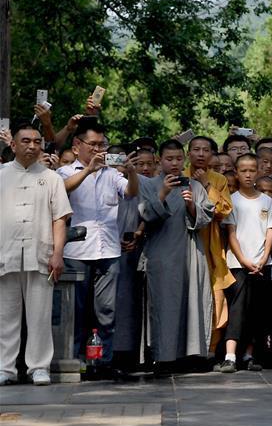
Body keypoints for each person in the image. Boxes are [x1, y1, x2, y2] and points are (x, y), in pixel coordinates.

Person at [58, 118, 139, 372]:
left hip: (108, 250)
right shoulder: (65, 171)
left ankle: (103, 361)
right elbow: (62, 190)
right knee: (76, 310)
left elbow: (131, 193)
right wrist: (88, 170)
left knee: (106, 310)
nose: (98, 149)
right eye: (92, 144)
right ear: (77, 145)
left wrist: (131, 172)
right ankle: (74, 360)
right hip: (77, 250)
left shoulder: (112, 174)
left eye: (102, 144)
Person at [0, 123, 71, 386]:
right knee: (5, 315)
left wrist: (58, 253)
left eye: (37, 141)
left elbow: (60, 218)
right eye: (26, 141)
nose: (32, 146)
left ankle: (39, 367)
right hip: (5, 253)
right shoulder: (1, 175)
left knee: (40, 315)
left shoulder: (52, 178)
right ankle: (5, 367)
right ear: (13, 144)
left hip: (40, 253)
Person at [138, 140, 215, 372]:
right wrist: (162, 193)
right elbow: (145, 215)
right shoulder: (149, 185)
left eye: (178, 159)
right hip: (161, 252)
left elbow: (206, 216)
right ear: (159, 160)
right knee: (164, 304)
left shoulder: (194, 185)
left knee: (192, 303)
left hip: (190, 252)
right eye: (169, 159)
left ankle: (190, 356)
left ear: (185, 159)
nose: (174, 163)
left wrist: (191, 205)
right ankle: (162, 356)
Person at [219, 154, 272, 373]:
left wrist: (263, 258)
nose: (248, 174)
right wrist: (244, 260)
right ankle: (230, 356)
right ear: (236, 173)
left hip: (263, 263)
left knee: (258, 309)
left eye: (252, 170)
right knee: (237, 308)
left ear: (258, 172)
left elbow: (271, 230)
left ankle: (250, 354)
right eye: (243, 170)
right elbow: (231, 233)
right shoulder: (232, 199)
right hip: (238, 263)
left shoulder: (266, 201)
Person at [186, 136, 235, 363]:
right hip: (185, 243)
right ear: (188, 153)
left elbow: (223, 211)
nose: (201, 154)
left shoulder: (218, 179)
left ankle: (210, 350)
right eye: (196, 149)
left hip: (211, 246)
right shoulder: (179, 175)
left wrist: (206, 184)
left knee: (216, 298)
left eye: (206, 150)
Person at [112, 148, 156, 369]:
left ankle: (142, 354)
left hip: (144, 251)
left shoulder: (154, 185)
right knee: (117, 303)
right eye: (139, 164)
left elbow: (154, 212)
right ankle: (116, 353)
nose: (145, 168)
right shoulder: (115, 183)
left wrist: (140, 231)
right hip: (113, 251)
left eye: (149, 164)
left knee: (140, 303)